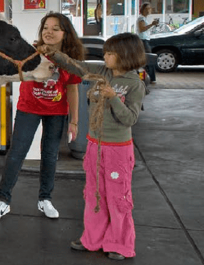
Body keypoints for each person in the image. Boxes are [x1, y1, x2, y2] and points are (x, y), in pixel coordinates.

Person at [39, 32, 147, 261]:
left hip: (118, 149)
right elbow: (78, 66)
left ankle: (119, 243)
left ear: (126, 56)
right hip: (94, 146)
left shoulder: (135, 84)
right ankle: (93, 238)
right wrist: (54, 54)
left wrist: (113, 98)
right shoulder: (102, 73)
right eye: (106, 52)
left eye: (110, 53)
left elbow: (130, 119)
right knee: (94, 195)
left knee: (118, 197)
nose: (105, 56)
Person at [0, 12, 85, 224]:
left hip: (57, 112)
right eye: (45, 27)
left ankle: (45, 199)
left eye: (55, 28)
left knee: (50, 156)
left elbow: (73, 90)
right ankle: (2, 200)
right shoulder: (31, 51)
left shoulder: (70, 61)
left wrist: (74, 121)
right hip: (28, 108)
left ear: (65, 33)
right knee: (16, 154)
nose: (48, 32)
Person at [136, 3, 159, 85]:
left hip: (145, 40)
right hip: (143, 41)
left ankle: (146, 77)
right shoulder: (141, 18)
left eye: (150, 8)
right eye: (147, 8)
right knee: (149, 59)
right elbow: (142, 29)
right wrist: (152, 24)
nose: (149, 10)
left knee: (146, 60)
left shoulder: (144, 18)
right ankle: (152, 79)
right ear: (143, 9)